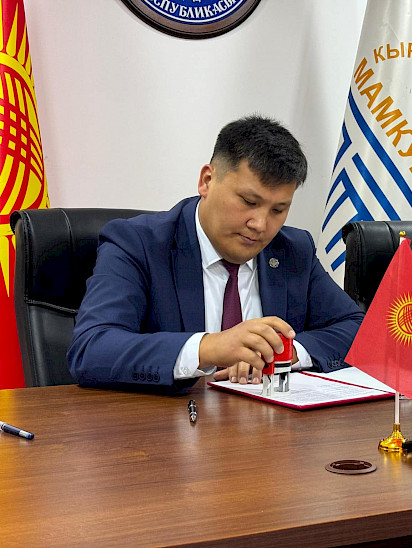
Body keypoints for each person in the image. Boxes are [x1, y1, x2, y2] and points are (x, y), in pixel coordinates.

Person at [68, 115, 364, 393]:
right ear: (207, 181)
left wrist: (280, 352)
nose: (260, 225)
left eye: (278, 210)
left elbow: (359, 329)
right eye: (248, 202)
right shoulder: (138, 243)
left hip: (268, 424)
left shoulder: (293, 250)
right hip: (169, 424)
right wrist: (210, 348)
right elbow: (91, 349)